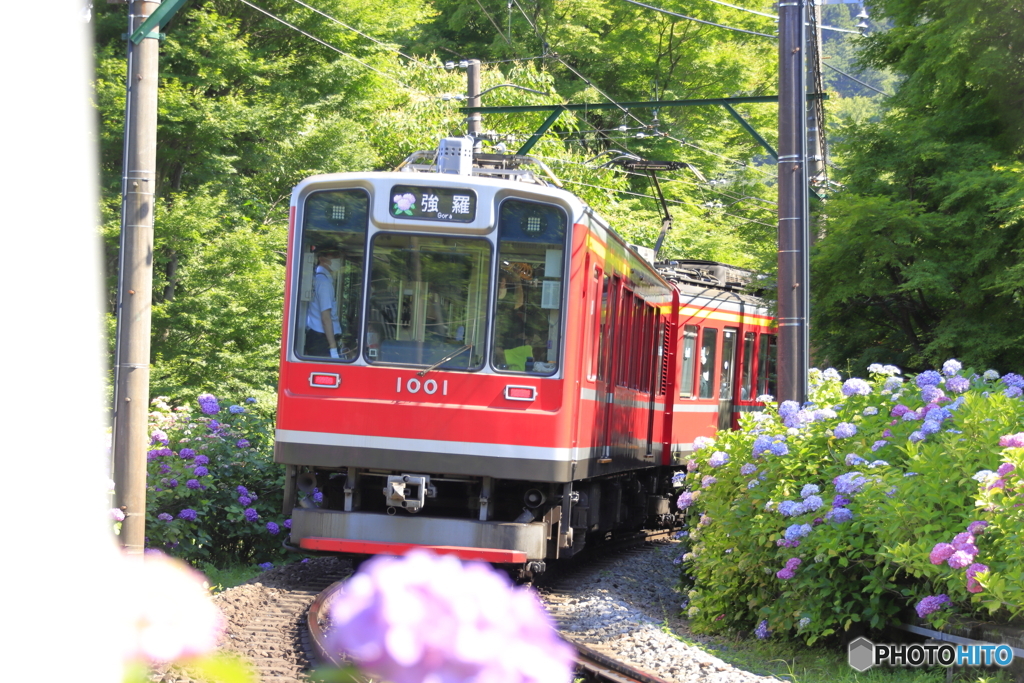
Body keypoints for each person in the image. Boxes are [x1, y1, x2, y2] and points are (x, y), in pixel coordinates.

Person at [305, 248, 344, 358]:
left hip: (317, 337)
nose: (338, 259)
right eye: (334, 256)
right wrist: (333, 348)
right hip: (323, 341)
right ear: (322, 258)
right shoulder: (324, 283)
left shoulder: (318, 278)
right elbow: (326, 317)